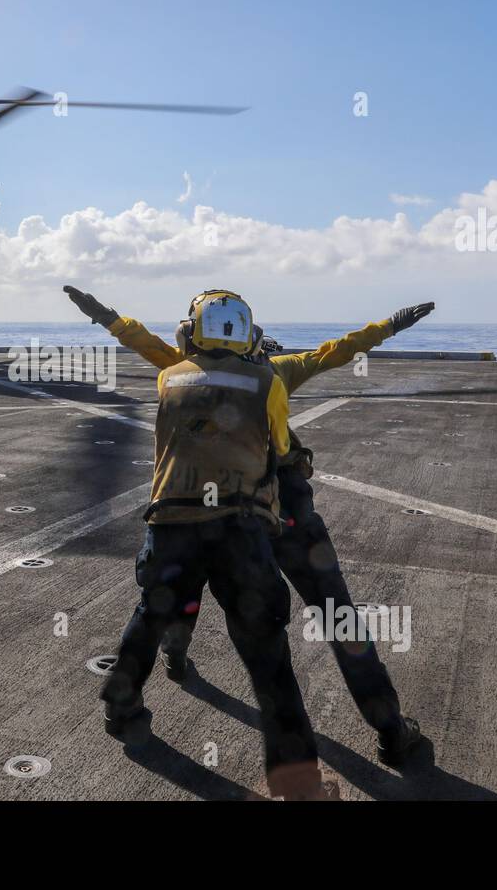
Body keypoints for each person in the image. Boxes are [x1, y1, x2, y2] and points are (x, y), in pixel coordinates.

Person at [65, 284, 432, 767]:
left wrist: (105, 315)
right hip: (286, 515)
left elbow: (146, 344)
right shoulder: (272, 374)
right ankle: (388, 730)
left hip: (217, 510)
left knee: (170, 593)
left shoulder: (184, 372)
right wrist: (390, 324)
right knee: (337, 616)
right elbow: (337, 351)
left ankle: (166, 665)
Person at [96, 289, 336, 800]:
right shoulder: (268, 382)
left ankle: (121, 705)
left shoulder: (170, 376)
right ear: (249, 337)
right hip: (239, 531)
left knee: (150, 615)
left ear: (189, 333)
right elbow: (282, 447)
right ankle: (297, 787)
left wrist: (109, 318)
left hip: (171, 524)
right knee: (269, 658)